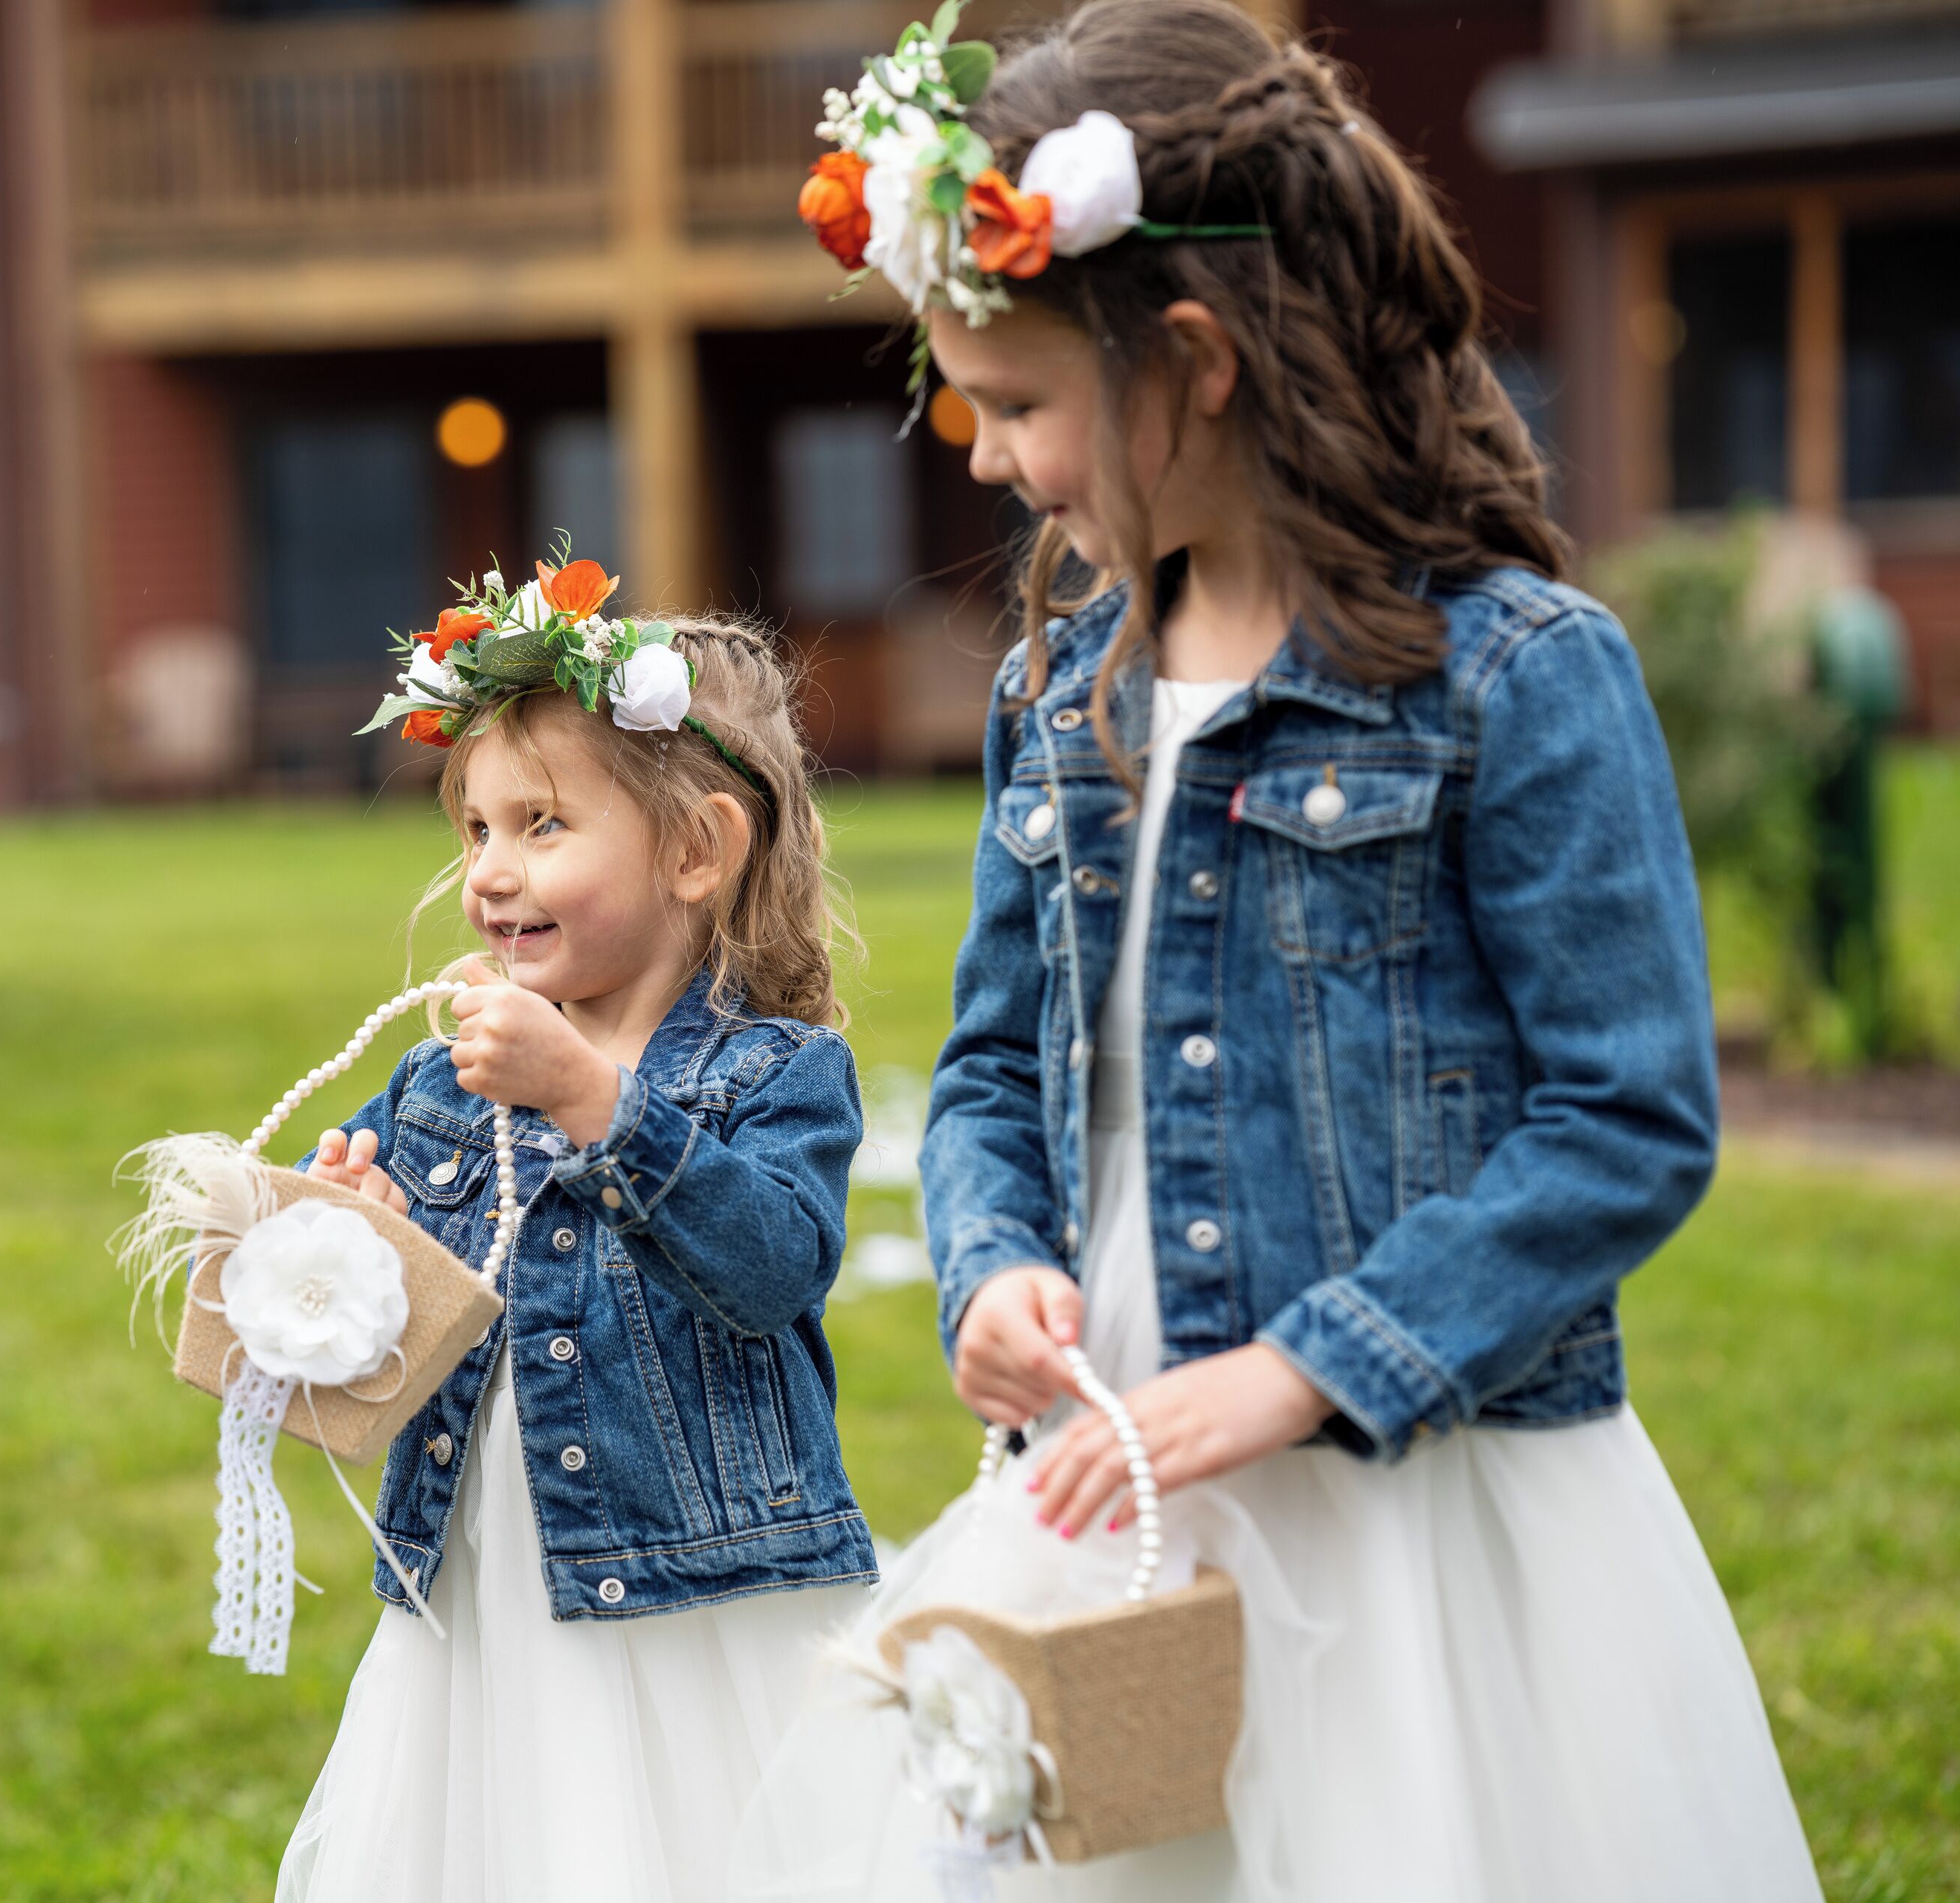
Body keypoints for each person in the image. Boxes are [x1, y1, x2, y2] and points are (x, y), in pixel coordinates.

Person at [736, 4, 1822, 1898]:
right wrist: (986, 1269)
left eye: (1013, 403)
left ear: (1194, 364)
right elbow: (997, 1062)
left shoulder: (1511, 679)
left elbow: (1623, 1118)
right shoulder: (1060, 695)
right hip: (1119, 1466)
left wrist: (1309, 1369)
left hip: (1416, 1467)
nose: (983, 462)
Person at [277, 566, 877, 1902]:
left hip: (694, 1598)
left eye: (542, 826)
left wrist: (599, 1102)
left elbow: (773, 1265)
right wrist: (356, 1247)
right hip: (485, 1591)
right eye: (477, 830)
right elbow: (404, 1334)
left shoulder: (773, 1074)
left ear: (694, 852)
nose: (492, 873)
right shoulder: (440, 1079)